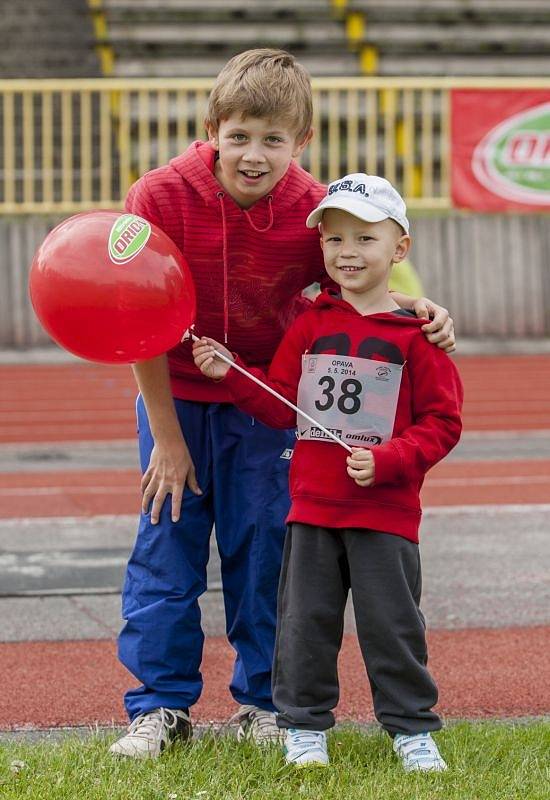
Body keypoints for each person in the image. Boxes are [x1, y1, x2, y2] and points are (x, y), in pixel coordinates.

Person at [110, 49, 456, 759]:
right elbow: (137, 315)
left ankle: (264, 703)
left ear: (301, 143)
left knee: (267, 548)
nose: (254, 155)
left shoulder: (313, 209)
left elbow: (363, 269)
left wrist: (421, 304)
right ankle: (159, 707)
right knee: (166, 544)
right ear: (211, 129)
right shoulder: (159, 197)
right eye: (238, 136)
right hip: (174, 396)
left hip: (267, 400)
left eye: (274, 140)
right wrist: (168, 440)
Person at [193, 173, 463, 771]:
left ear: (399, 247)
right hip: (312, 509)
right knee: (303, 626)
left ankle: (412, 731)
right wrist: (232, 374)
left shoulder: (418, 335)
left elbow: (444, 423)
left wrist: (390, 459)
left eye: (364, 238)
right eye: (335, 239)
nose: (347, 252)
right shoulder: (310, 324)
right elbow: (280, 402)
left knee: (392, 628)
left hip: (385, 513)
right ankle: (304, 728)